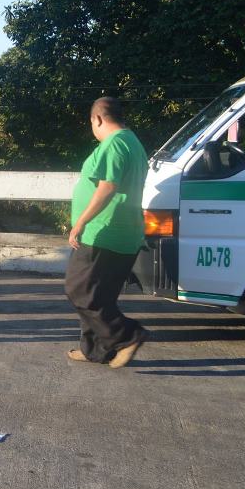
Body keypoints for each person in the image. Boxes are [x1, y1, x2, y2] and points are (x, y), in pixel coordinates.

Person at [65, 96, 149, 369]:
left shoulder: (114, 144)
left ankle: (127, 336)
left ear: (97, 119)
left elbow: (107, 186)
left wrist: (81, 223)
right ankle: (95, 351)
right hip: (125, 232)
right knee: (99, 295)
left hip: (104, 232)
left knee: (79, 291)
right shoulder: (132, 141)